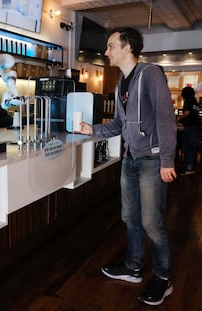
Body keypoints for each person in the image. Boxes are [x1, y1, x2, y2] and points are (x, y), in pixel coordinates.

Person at [76, 27, 177, 306]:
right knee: (129, 217)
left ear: (128, 47)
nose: (106, 52)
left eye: (110, 46)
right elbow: (119, 125)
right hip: (130, 158)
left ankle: (162, 277)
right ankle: (133, 268)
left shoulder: (151, 74)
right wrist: (91, 130)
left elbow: (165, 119)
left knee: (152, 223)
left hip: (152, 159)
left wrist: (167, 160)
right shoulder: (122, 83)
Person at [177, 86, 200, 175]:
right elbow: (193, 115)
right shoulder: (195, 102)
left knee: (187, 147)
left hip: (190, 128)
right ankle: (191, 168)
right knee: (192, 148)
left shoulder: (188, 101)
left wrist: (178, 118)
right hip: (196, 127)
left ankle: (188, 169)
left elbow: (187, 114)